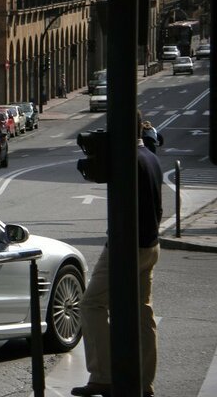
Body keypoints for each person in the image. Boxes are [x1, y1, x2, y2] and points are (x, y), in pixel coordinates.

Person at [71, 111, 163, 397]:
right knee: (142, 312)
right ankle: (144, 382)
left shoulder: (129, 161)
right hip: (150, 244)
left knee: (91, 305)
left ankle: (103, 376)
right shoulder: (150, 157)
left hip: (126, 246)